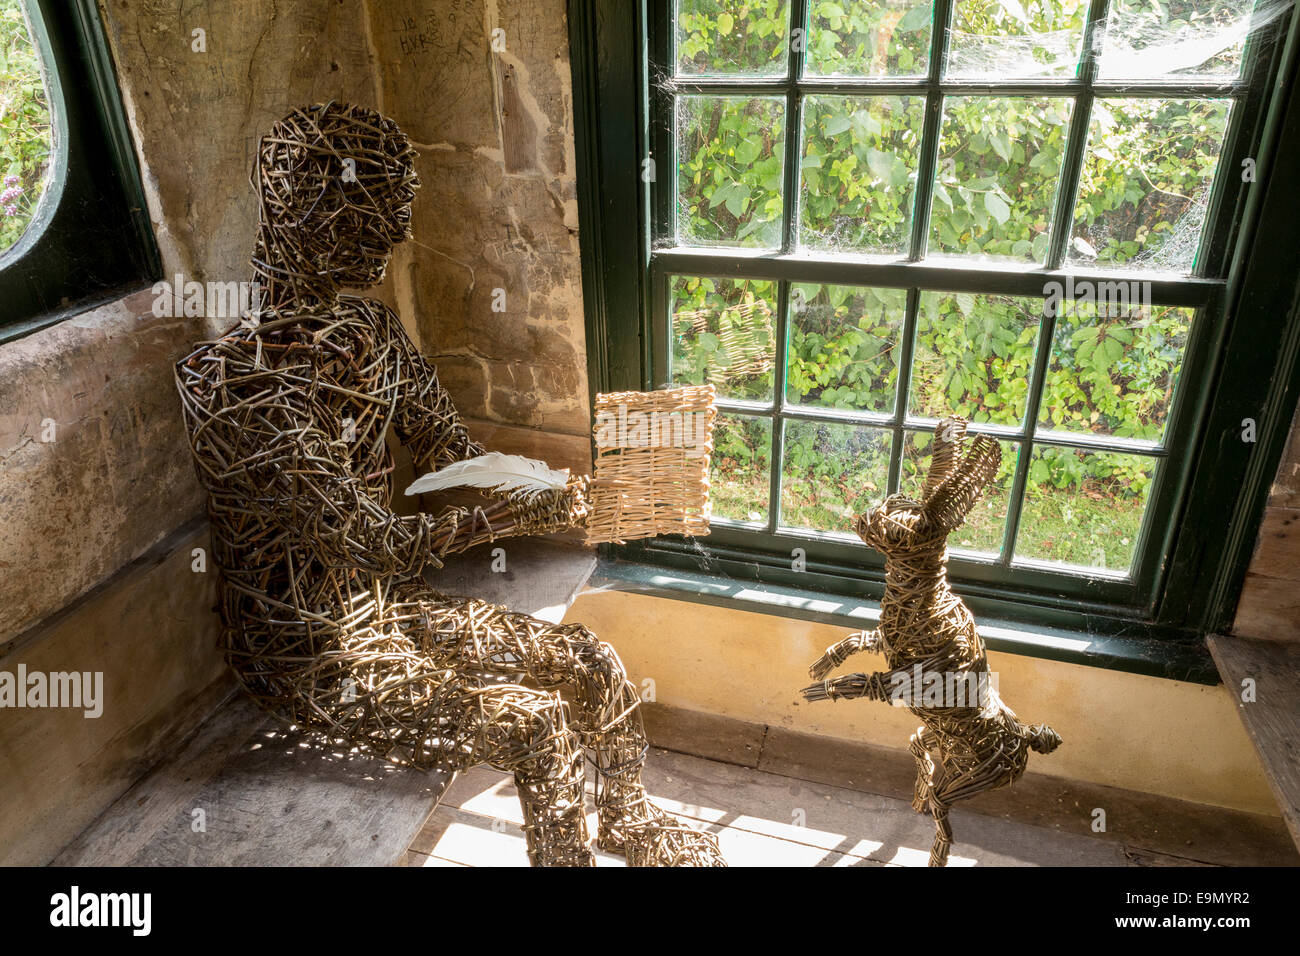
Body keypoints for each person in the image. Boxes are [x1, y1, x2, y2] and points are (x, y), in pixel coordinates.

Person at [174, 102, 724, 867]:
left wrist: (564, 486)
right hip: (309, 652)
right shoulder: (233, 383)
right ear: (305, 212)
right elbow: (376, 545)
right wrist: (516, 517)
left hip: (385, 612)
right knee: (534, 727)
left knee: (591, 660)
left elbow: (451, 454)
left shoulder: (372, 334)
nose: (397, 233)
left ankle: (630, 823)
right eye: (374, 213)